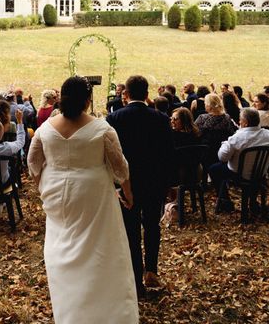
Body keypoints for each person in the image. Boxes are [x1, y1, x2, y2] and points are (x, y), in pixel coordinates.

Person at [27, 76, 138, 323]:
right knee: (101, 249)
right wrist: (128, 195)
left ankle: (71, 310)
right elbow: (120, 166)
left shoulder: (46, 128)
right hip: (94, 193)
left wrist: (44, 186)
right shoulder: (102, 128)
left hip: (57, 192)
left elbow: (33, 162)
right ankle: (107, 311)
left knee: (61, 247)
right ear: (88, 101)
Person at [107, 75, 174, 296]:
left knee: (131, 231)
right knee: (152, 226)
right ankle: (151, 270)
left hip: (128, 183)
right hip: (154, 182)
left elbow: (111, 157)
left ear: (126, 94)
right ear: (147, 94)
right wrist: (169, 183)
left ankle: (136, 279)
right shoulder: (161, 119)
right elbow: (168, 155)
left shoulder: (114, 119)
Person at [209, 108, 269, 212]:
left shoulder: (237, 138)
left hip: (238, 175)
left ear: (245, 123)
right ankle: (253, 202)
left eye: (240, 120)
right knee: (253, 171)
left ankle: (225, 201)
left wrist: (225, 144)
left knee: (214, 169)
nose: (239, 122)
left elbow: (222, 157)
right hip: (260, 173)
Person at [194, 93, 237, 166]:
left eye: (205, 103)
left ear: (209, 106)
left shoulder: (202, 118)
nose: (204, 105)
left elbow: (196, 133)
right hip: (222, 151)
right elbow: (232, 133)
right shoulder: (227, 118)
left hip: (206, 152)